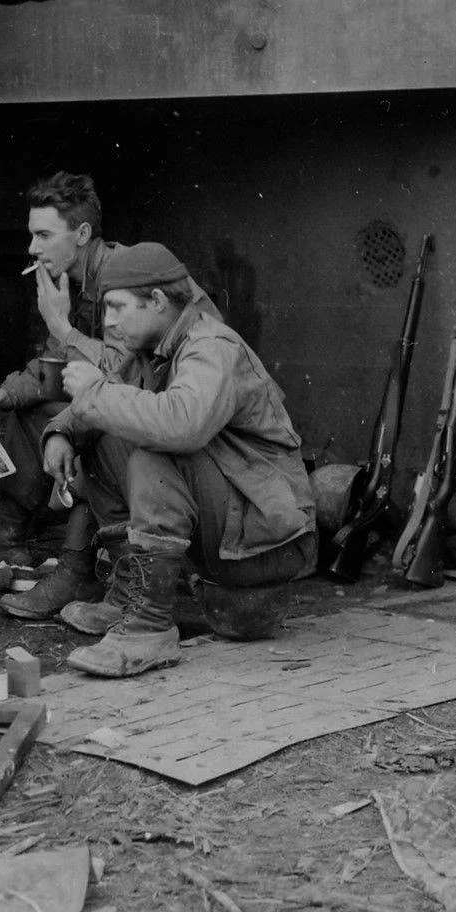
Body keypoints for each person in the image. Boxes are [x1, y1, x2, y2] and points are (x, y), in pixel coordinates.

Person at [40, 242, 318, 678]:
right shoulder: (154, 346)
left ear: (156, 301)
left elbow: (180, 426)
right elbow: (111, 397)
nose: (107, 320)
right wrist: (62, 432)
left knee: (155, 451)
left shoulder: (211, 347)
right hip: (234, 528)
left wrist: (94, 395)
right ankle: (131, 595)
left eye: (117, 307)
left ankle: (150, 626)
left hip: (267, 540)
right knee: (103, 438)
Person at [0, 173, 222, 621]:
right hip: (145, 421)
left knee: (92, 423)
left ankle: (81, 566)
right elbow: (58, 366)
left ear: (81, 235)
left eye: (43, 236)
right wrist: (1, 395)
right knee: (26, 409)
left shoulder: (124, 278)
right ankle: (11, 535)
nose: (32, 250)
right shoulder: (77, 286)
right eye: (31, 236)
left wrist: (62, 327)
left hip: (187, 440)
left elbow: (123, 377)